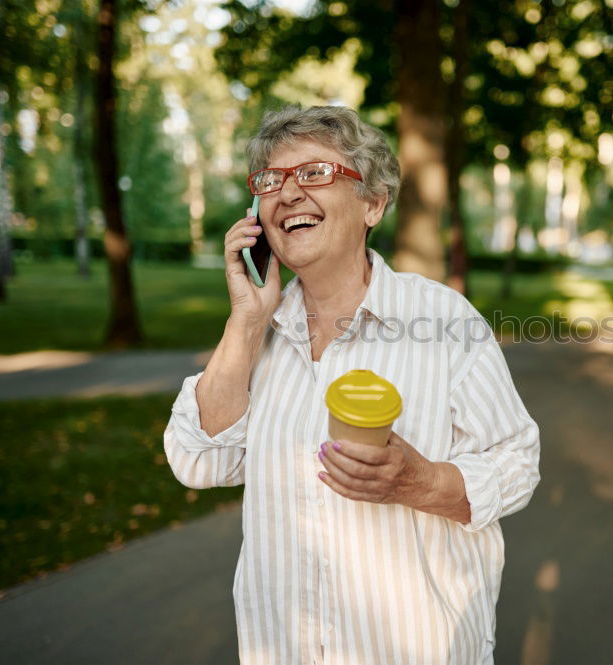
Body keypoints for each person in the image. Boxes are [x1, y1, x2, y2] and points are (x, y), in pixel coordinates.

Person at [164, 105, 540, 665]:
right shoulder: (256, 334)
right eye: (271, 181)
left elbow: (518, 462)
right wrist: (245, 321)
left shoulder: (443, 320)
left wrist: (419, 480)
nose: (287, 193)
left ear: (372, 202)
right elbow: (198, 461)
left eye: (314, 173)